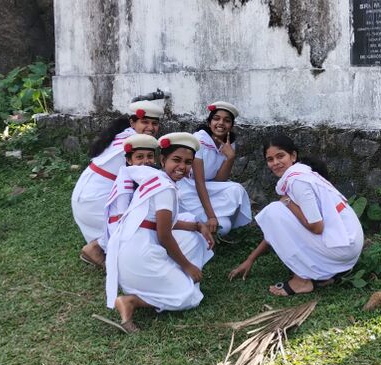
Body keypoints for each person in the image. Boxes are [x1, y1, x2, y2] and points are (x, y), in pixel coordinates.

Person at [94, 132, 215, 333]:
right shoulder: (165, 187)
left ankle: (162, 282)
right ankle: (131, 301)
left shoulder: (155, 180)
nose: (182, 167)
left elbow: (160, 224)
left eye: (188, 162)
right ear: (162, 160)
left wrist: (198, 226)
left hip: (130, 257)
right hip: (139, 258)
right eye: (176, 160)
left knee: (194, 239)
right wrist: (187, 267)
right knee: (189, 297)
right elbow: (164, 235)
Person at [229, 134, 363, 296]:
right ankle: (327, 275)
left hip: (344, 248)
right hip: (348, 248)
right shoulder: (303, 175)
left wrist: (288, 203)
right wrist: (251, 258)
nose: (275, 163)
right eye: (270, 159)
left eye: (280, 156)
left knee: (274, 211)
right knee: (278, 211)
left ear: (293, 156)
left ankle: (302, 281)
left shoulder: (298, 181)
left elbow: (316, 227)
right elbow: (281, 228)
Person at [73, 101, 162, 268]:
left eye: (154, 123)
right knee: (147, 219)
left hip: (85, 200)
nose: (150, 127)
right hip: (95, 203)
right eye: (145, 122)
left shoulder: (122, 135)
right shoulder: (134, 145)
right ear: (133, 123)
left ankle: (105, 244)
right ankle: (97, 247)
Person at [178, 101, 252, 236]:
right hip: (190, 188)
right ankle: (194, 221)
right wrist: (211, 216)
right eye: (216, 119)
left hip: (211, 188)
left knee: (226, 222)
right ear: (209, 122)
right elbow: (199, 182)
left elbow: (220, 181)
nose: (221, 123)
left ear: (231, 126)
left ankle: (201, 223)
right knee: (218, 223)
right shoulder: (198, 141)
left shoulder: (229, 145)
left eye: (227, 120)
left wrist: (230, 158)